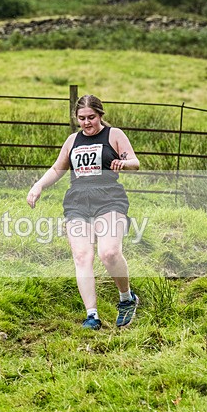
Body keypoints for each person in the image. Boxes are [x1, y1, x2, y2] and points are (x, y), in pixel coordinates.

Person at [27, 94, 139, 330]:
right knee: (82, 256)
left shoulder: (114, 135)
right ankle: (92, 315)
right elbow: (58, 168)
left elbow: (134, 162)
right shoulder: (72, 141)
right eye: (82, 118)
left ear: (100, 116)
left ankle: (126, 299)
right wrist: (38, 186)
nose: (87, 123)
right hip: (78, 201)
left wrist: (123, 163)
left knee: (108, 254)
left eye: (91, 117)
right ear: (76, 118)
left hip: (109, 198)